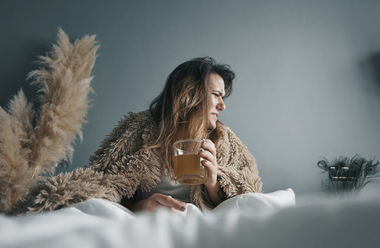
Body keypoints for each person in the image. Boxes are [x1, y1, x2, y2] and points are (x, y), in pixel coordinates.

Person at [10, 56, 262, 214]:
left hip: (196, 219)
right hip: (143, 221)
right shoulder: (139, 130)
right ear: (190, 94)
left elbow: (248, 190)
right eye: (217, 95)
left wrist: (213, 182)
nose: (222, 105)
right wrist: (139, 206)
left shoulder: (223, 139)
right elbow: (102, 181)